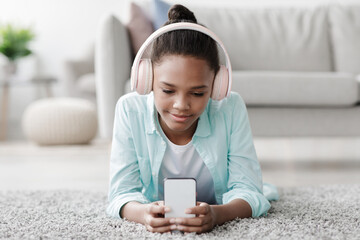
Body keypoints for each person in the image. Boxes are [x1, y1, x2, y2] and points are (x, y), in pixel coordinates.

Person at [107, 4, 278, 233]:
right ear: (147, 80)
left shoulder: (229, 107)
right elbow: (120, 194)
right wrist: (142, 213)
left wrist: (218, 214)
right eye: (167, 91)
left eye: (197, 93)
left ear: (217, 86)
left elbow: (250, 191)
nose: (181, 106)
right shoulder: (129, 110)